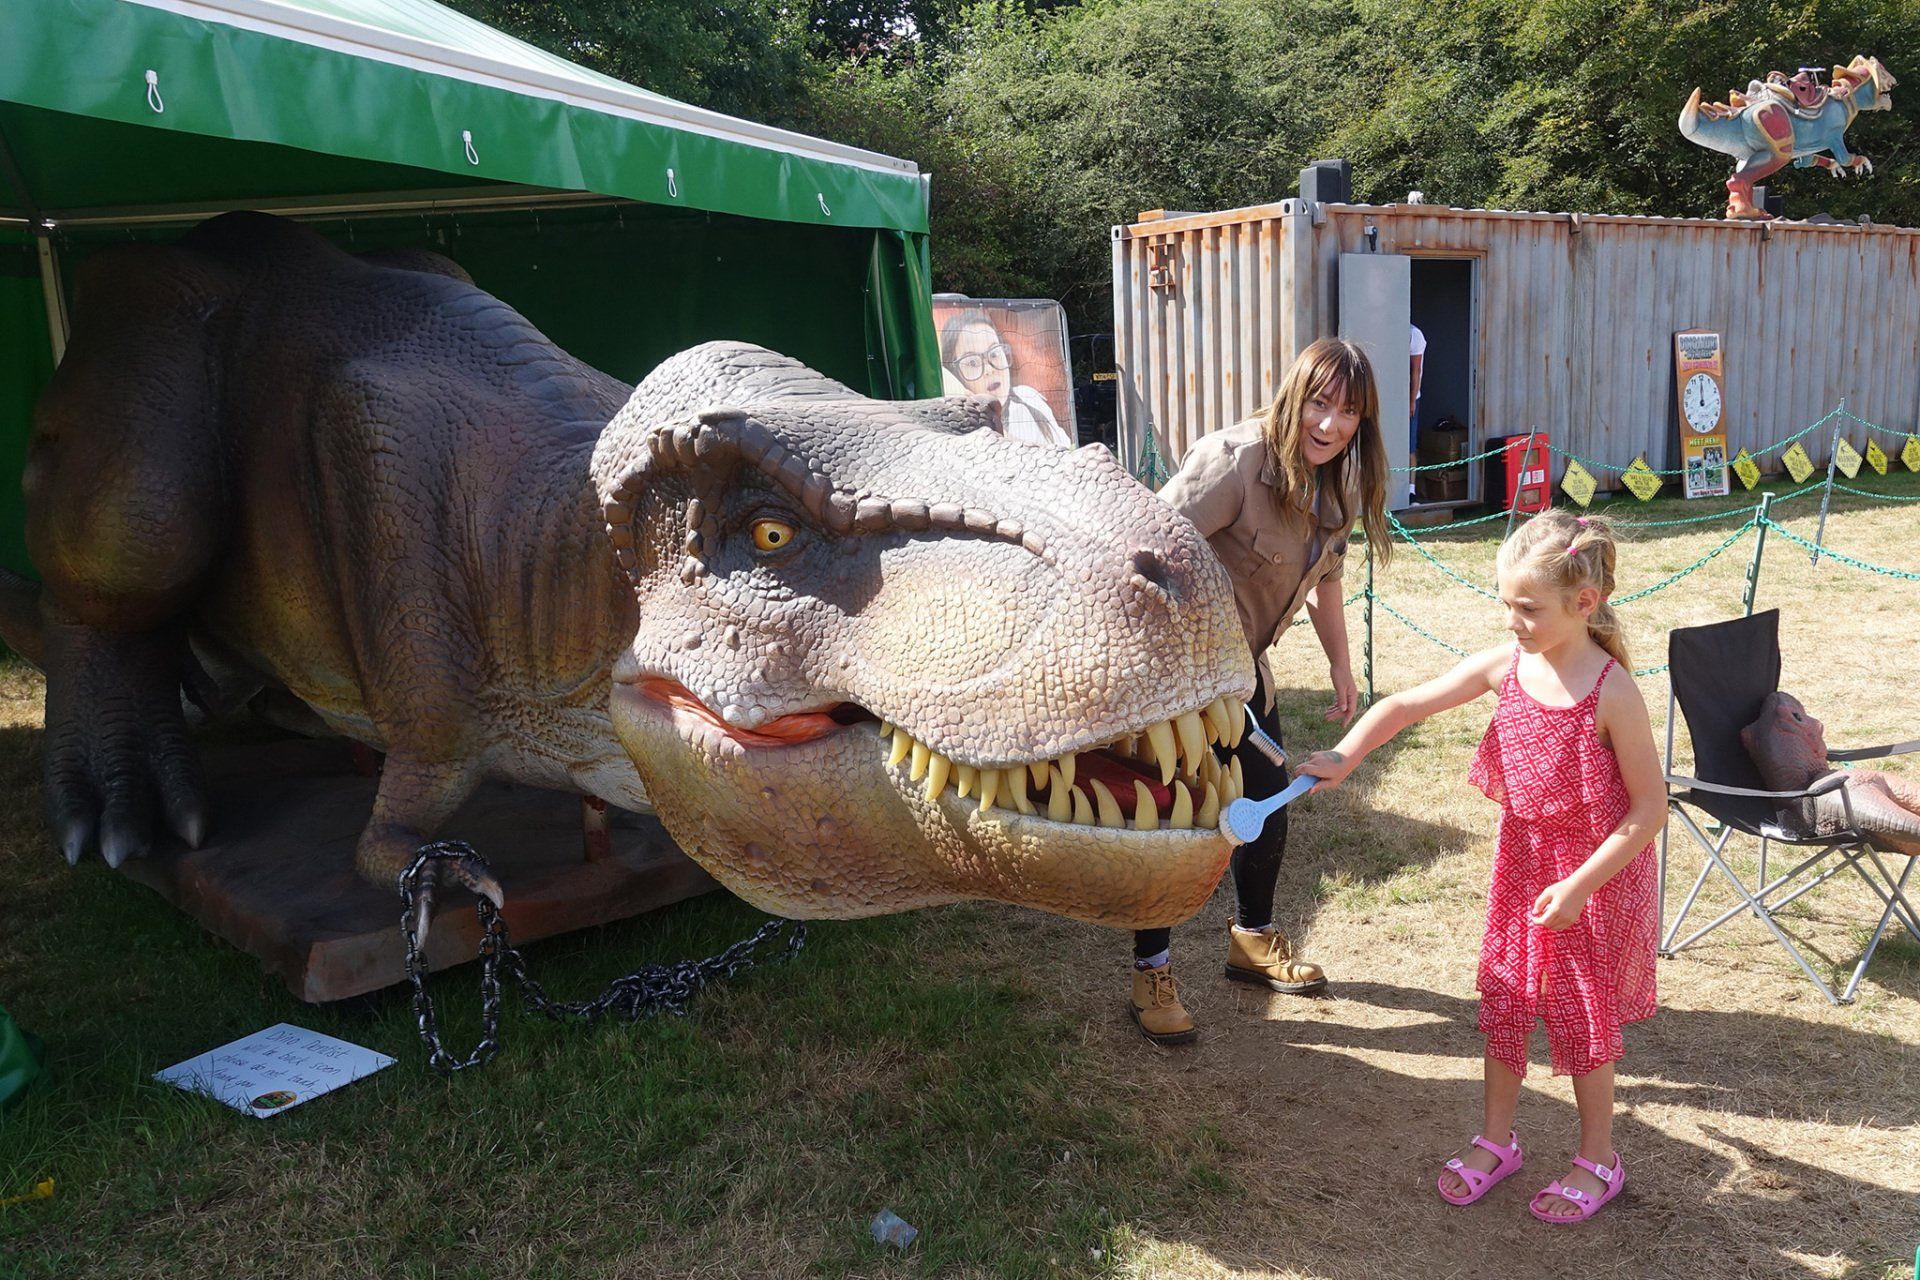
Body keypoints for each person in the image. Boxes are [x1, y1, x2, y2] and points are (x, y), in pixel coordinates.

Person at [1297, 510, 1664, 1224]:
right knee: (1507, 997)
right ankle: (1498, 1140)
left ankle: (1599, 1159)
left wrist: (1580, 885)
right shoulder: (1508, 665)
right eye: (1505, 604)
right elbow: (1407, 703)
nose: (1512, 621)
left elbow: (1649, 810)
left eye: (1528, 608)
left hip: (1592, 875)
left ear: (1584, 603)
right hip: (1523, 864)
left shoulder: (1612, 691)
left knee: (1581, 1014)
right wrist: (1348, 756)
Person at [1127, 336, 1392, 1046]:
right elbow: (1145, 546)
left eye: (1349, 414)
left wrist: (1341, 664)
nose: (1331, 426)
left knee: (1269, 805)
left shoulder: (1334, 481)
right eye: (1321, 403)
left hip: (1247, 673)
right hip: (1181, 673)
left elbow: (1327, 578)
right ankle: (1151, 969)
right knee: (1174, 819)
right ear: (1295, 393)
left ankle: (1252, 941)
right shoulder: (1235, 459)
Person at [940, 310, 1072, 449]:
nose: (989, 370)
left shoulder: (1028, 398)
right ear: (955, 375)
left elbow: (1065, 454)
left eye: (995, 353)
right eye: (973, 362)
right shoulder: (952, 426)